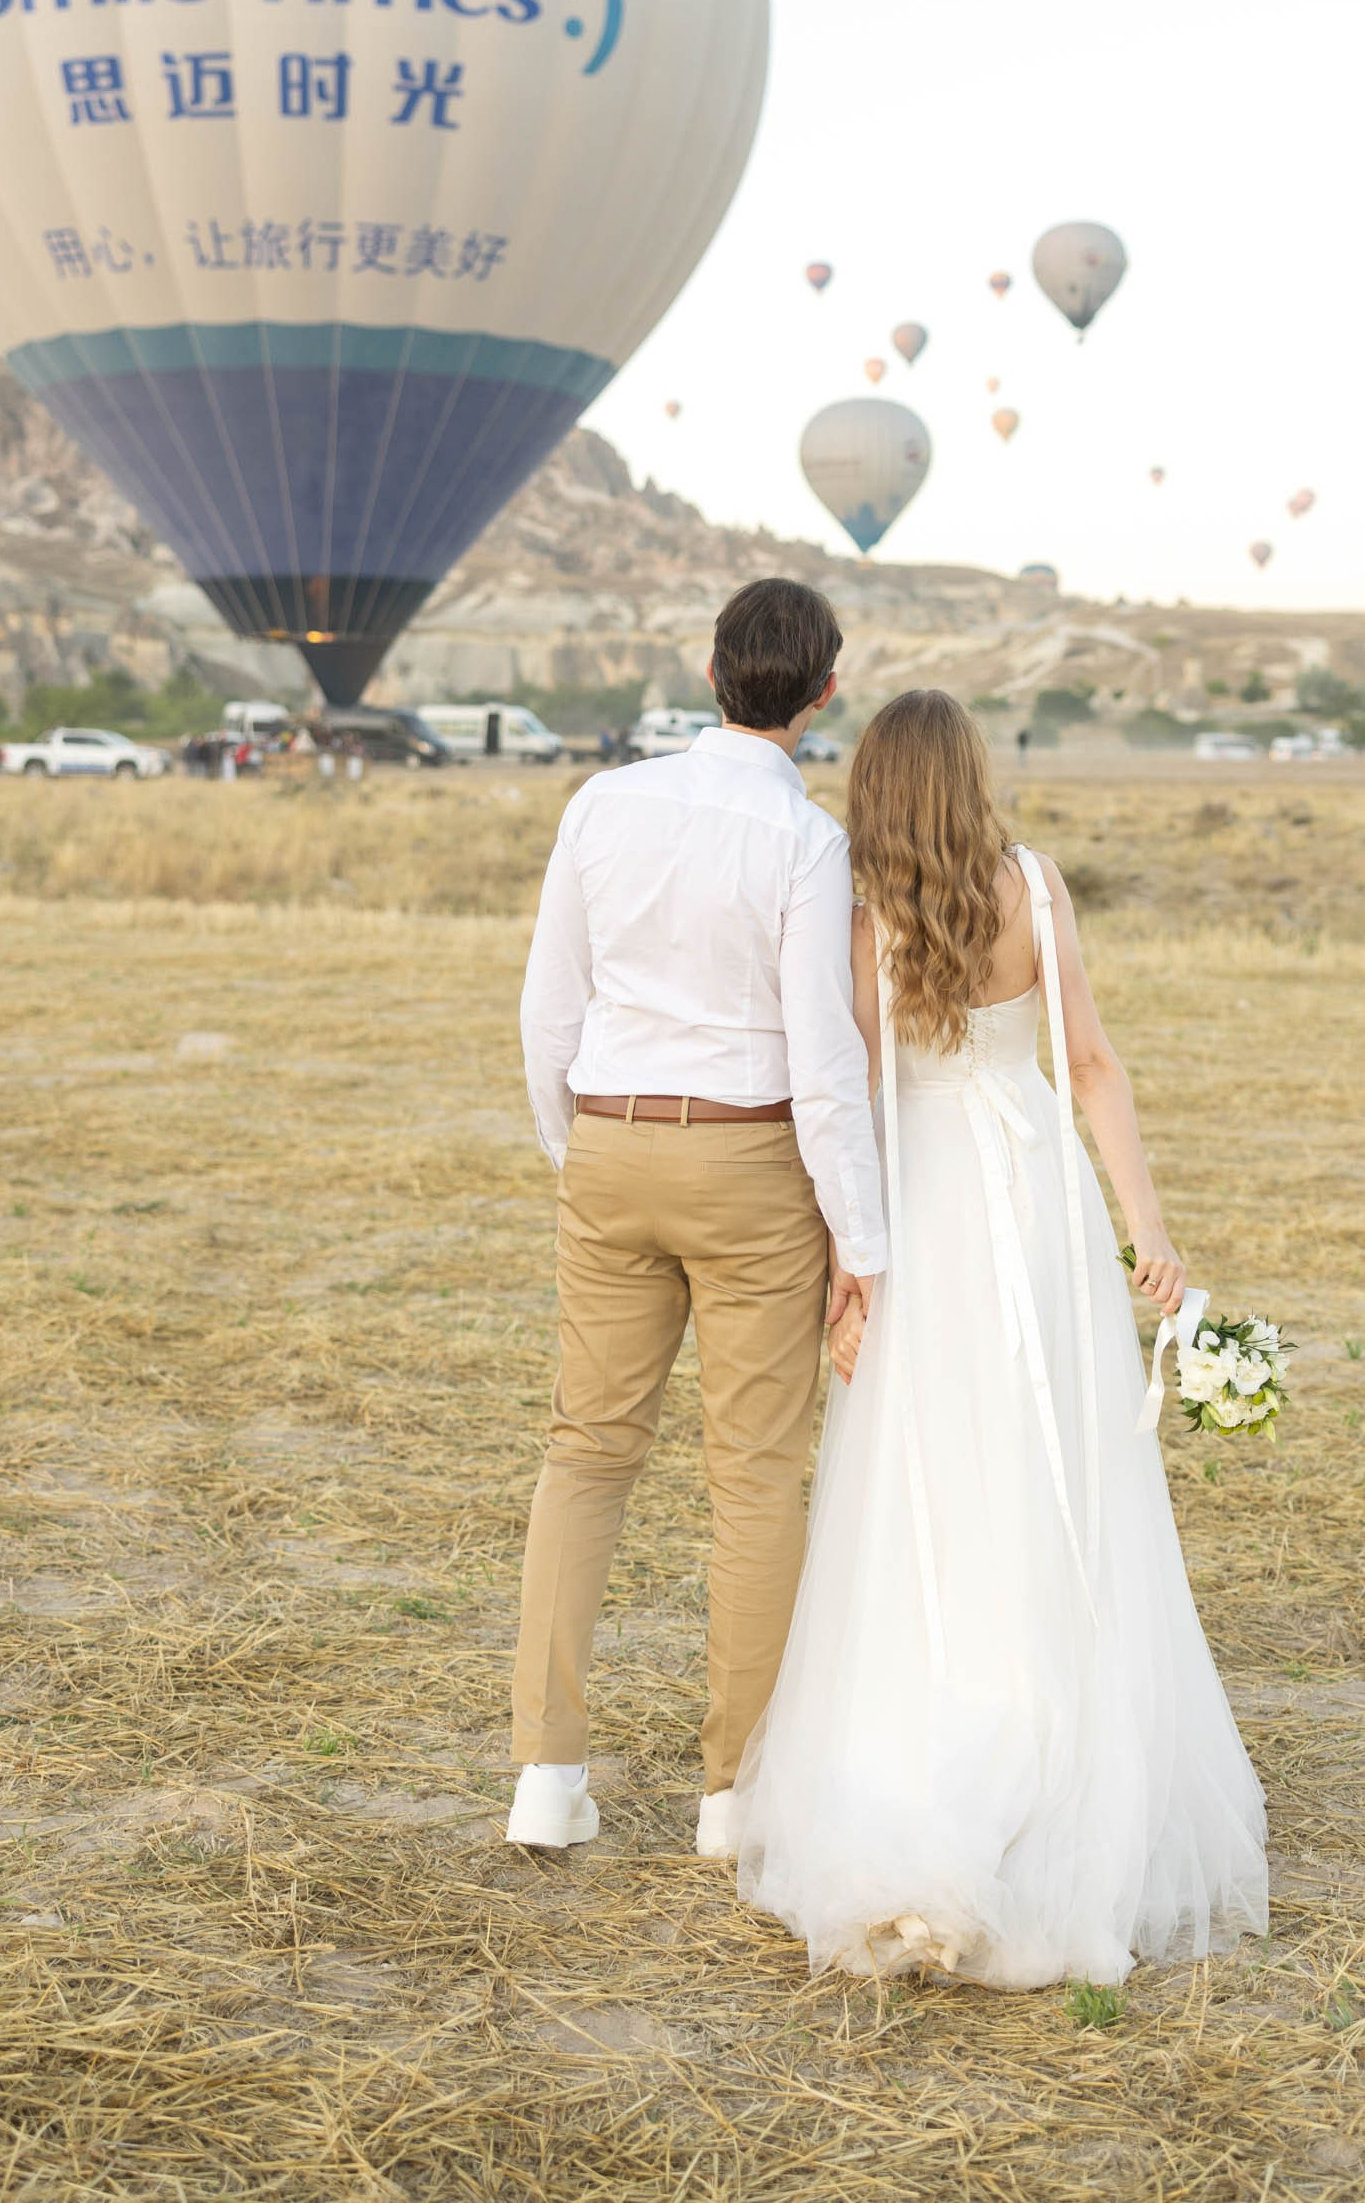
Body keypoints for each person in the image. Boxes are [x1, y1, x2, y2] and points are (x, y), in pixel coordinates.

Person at [735, 688, 1268, 1988]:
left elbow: (852, 1096)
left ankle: (927, 1754)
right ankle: (1060, 1747)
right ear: (972, 776)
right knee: (1060, 1470)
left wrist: (843, 1274)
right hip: (1034, 1203)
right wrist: (1150, 1232)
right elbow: (1091, 1066)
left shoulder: (860, 915)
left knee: (924, 1482)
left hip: (920, 1212)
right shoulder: (1034, 885)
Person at [510, 579, 884, 1858]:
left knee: (587, 1455)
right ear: (823, 693)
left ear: (711, 669)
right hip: (749, 1163)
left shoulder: (601, 804)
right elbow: (824, 1057)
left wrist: (581, 1145)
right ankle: (734, 1795)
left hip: (611, 1143)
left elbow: (547, 1009)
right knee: (755, 1479)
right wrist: (863, 1241)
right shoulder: (808, 841)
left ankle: (546, 1777)